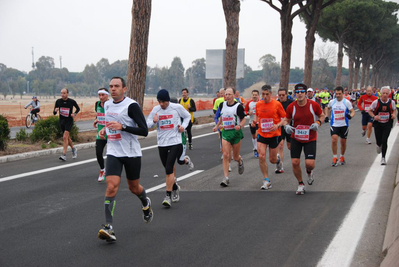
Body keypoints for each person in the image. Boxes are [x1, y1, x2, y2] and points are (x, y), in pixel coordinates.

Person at [97, 77, 152, 243]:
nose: (113, 89)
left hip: (131, 153)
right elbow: (110, 123)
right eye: (111, 86)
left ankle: (145, 201)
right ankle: (109, 227)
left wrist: (123, 127)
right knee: (111, 186)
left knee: (134, 188)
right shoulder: (106, 104)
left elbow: (144, 131)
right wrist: (105, 131)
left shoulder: (131, 106)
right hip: (114, 151)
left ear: (124, 88)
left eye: (116, 86)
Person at [147, 89, 194, 207]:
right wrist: (153, 121)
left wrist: (183, 127)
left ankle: (167, 196)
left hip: (175, 141)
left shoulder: (176, 107)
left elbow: (187, 116)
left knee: (169, 168)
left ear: (168, 100)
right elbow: (147, 123)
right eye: (159, 102)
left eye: (164, 102)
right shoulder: (156, 110)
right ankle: (175, 187)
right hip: (162, 143)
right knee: (168, 168)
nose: (161, 104)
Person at [283, 83, 325, 195]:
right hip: (296, 137)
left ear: (306, 93)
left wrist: (318, 123)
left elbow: (322, 115)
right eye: (298, 92)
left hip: (310, 137)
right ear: (295, 93)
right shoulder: (291, 106)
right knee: (295, 162)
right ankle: (301, 183)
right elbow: (286, 119)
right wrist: (286, 126)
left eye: (302, 92)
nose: (300, 94)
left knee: (309, 164)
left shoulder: (313, 105)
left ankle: (309, 172)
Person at [251, 85, 286, 190]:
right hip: (262, 133)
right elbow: (257, 115)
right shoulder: (258, 104)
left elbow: (284, 118)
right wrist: (255, 121)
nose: (265, 96)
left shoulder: (277, 104)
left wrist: (277, 125)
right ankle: (266, 180)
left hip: (274, 135)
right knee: (261, 156)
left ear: (271, 94)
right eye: (263, 94)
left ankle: (277, 159)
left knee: (272, 159)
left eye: (267, 94)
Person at [213, 87, 245, 187]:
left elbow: (243, 119)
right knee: (226, 155)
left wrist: (239, 126)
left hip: (236, 133)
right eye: (226, 94)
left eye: (229, 94)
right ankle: (226, 178)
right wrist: (217, 126)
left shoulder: (238, 106)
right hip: (226, 132)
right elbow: (222, 116)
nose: (227, 96)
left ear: (234, 95)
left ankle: (240, 161)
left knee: (235, 157)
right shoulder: (222, 105)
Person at [327, 86, 355, 166]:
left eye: (339, 94)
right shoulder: (332, 102)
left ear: (343, 93)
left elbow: (352, 111)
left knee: (343, 142)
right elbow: (327, 108)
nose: (338, 95)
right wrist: (326, 116)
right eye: (336, 94)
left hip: (344, 125)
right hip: (334, 124)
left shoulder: (346, 102)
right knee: (334, 139)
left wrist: (351, 116)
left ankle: (342, 156)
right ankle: (334, 157)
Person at [368, 86, 396, 165]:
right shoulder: (376, 102)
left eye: (387, 93)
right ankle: (378, 144)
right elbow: (369, 110)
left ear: (389, 94)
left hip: (387, 124)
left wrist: (394, 115)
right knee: (379, 140)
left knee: (384, 140)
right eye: (383, 93)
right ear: (380, 93)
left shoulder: (391, 102)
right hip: (378, 124)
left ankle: (383, 158)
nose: (385, 95)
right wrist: (374, 116)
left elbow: (394, 110)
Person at [53, 88, 80, 161]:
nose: (62, 95)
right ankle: (73, 149)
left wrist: (74, 114)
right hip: (61, 121)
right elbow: (54, 112)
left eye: (64, 93)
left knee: (65, 137)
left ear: (67, 94)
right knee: (67, 137)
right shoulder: (58, 101)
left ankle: (64, 155)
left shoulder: (71, 101)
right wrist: (55, 111)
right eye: (61, 93)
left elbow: (78, 109)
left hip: (69, 121)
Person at [276, 87, 294, 173]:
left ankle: (295, 161)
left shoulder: (291, 103)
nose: (281, 96)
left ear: (287, 94)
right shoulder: (276, 103)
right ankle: (280, 165)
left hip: (289, 127)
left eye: (283, 95)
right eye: (280, 95)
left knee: (290, 146)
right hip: (280, 128)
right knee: (280, 146)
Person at [93, 88, 109, 182]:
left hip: (110, 133)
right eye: (100, 95)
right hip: (100, 133)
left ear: (107, 95)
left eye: (103, 95)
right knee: (98, 152)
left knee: (112, 154)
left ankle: (113, 171)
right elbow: (99, 114)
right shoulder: (97, 104)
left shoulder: (111, 105)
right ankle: (102, 170)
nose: (101, 97)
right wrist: (96, 119)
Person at [244, 89, 260, 158]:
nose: (254, 96)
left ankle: (258, 149)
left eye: (256, 95)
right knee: (253, 136)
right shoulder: (249, 103)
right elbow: (244, 111)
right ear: (251, 95)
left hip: (259, 122)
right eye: (253, 95)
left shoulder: (261, 102)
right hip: (251, 122)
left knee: (257, 135)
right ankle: (255, 149)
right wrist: (248, 113)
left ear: (258, 96)